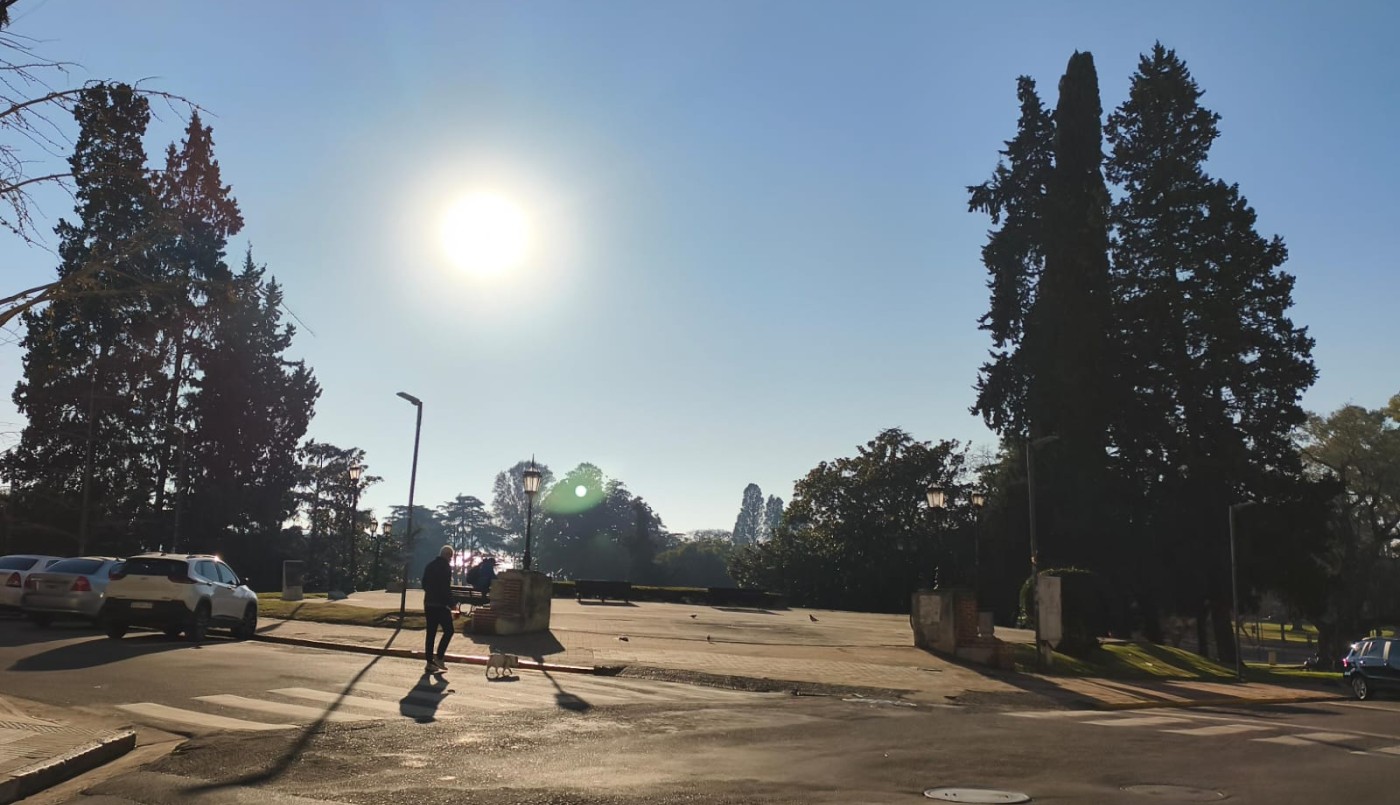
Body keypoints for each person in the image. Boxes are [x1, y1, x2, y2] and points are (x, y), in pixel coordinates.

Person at [421, 545, 454, 674]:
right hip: (440, 605)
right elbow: (445, 588)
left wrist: (430, 593)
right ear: (447, 555)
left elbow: (424, 583)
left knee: (431, 633)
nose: (451, 559)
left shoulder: (430, 565)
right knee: (449, 630)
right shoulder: (445, 567)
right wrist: (452, 604)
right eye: (450, 557)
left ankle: (429, 662)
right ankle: (439, 657)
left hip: (429, 603)